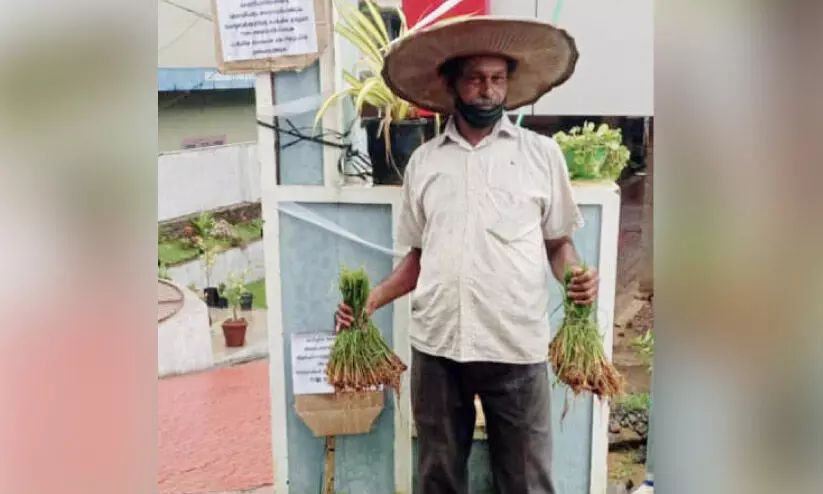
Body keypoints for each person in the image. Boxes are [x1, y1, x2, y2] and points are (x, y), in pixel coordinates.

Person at [336, 17, 598, 494]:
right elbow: (417, 258)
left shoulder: (541, 156)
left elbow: (558, 243)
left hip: (515, 346)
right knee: (438, 477)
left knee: (526, 480)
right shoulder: (426, 162)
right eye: (476, 78)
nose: (487, 91)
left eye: (497, 80)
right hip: (439, 347)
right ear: (452, 83)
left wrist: (575, 277)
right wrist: (372, 300)